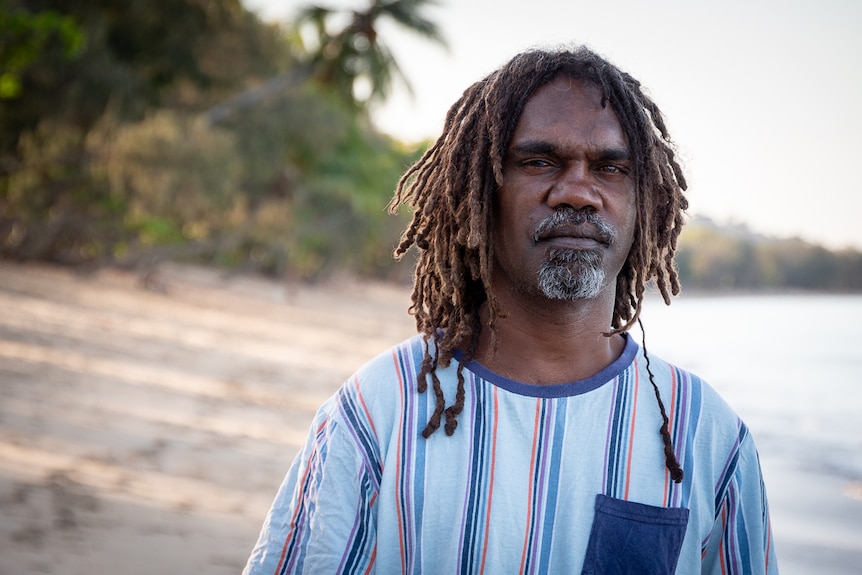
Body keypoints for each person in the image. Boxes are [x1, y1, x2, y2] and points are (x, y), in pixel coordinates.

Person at [243, 45, 778, 574]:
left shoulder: (704, 434)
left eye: (611, 168)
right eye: (539, 161)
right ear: (477, 188)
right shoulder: (378, 412)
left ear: (647, 203)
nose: (578, 192)